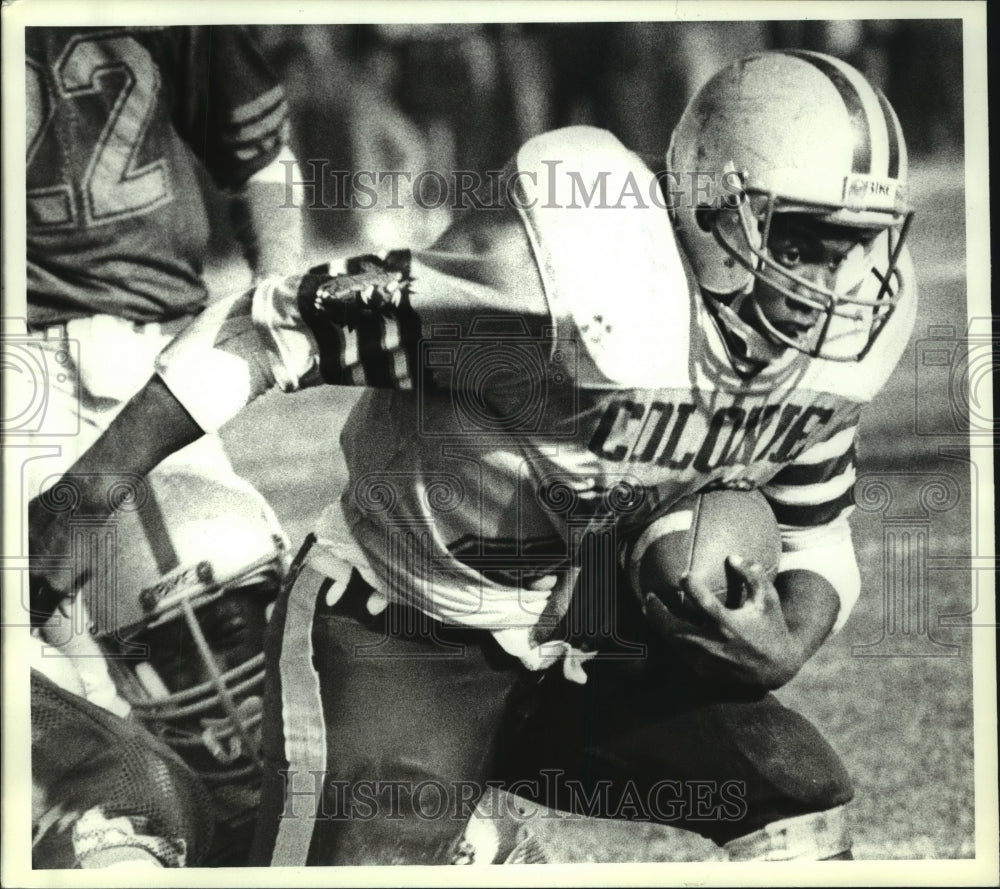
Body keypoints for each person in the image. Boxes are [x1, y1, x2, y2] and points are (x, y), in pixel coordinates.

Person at [29, 50, 917, 865]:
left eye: (856, 246)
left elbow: (815, 530)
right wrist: (88, 492)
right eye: (804, 241)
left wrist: (783, 640)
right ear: (711, 207)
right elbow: (280, 319)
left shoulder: (831, 355)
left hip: (585, 628)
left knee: (793, 790)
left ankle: (458, 817)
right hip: (396, 631)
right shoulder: (558, 295)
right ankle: (448, 822)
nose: (834, 286)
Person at [21, 25, 302, 716]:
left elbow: (259, 154)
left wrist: (280, 299)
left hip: (150, 366)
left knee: (225, 640)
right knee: (43, 687)